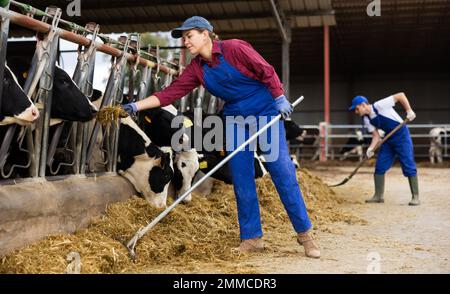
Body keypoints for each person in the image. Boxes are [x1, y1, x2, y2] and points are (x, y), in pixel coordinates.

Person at [122, 16, 320, 258]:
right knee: (241, 176)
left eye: (189, 35)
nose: (185, 41)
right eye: (183, 38)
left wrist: (279, 97)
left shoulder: (234, 48)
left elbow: (266, 70)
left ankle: (305, 234)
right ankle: (252, 237)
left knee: (281, 170)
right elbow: (169, 94)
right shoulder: (197, 68)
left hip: (265, 113)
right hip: (235, 119)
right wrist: (136, 106)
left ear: (205, 34)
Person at [348, 93, 420, 206]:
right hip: (388, 138)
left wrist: (409, 110)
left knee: (408, 165)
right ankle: (378, 195)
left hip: (401, 136)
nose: (356, 112)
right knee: (380, 165)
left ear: (363, 105)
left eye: (356, 109)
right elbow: (376, 136)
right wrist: (370, 149)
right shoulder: (367, 119)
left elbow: (400, 95)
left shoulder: (380, 105)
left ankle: (415, 196)